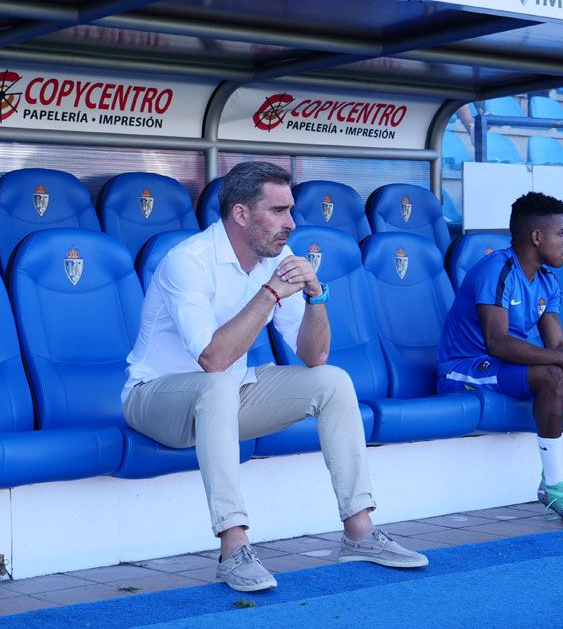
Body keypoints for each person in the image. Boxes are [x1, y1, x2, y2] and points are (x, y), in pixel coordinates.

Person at [122, 161, 428, 592]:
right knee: (216, 384)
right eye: (279, 211)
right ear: (242, 215)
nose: (291, 223)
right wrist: (268, 295)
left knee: (334, 381)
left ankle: (360, 532)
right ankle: (234, 548)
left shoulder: (278, 257)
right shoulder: (186, 262)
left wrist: (316, 293)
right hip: (155, 399)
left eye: (291, 210)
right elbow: (213, 358)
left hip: (228, 393)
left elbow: (314, 354)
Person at [436, 192, 563, 526]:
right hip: (466, 368)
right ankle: (554, 486)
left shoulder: (546, 279)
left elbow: (556, 341)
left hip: (504, 368)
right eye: (560, 234)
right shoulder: (496, 269)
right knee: (554, 376)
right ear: (537, 237)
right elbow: (496, 343)